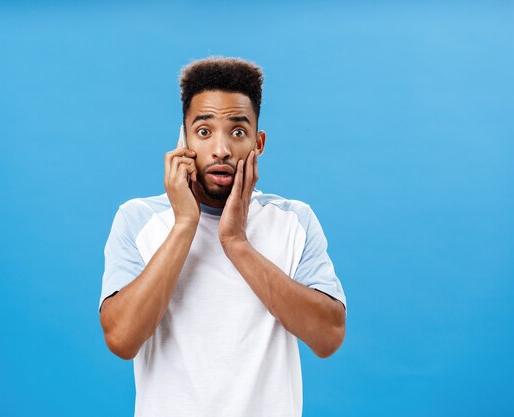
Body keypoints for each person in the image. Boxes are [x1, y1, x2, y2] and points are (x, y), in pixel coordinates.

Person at [99, 56, 347, 417]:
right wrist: (185, 223)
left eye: (237, 131)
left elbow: (329, 337)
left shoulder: (294, 220)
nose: (221, 149)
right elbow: (121, 339)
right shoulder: (139, 219)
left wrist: (236, 243)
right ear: (183, 139)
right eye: (204, 131)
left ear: (258, 143)